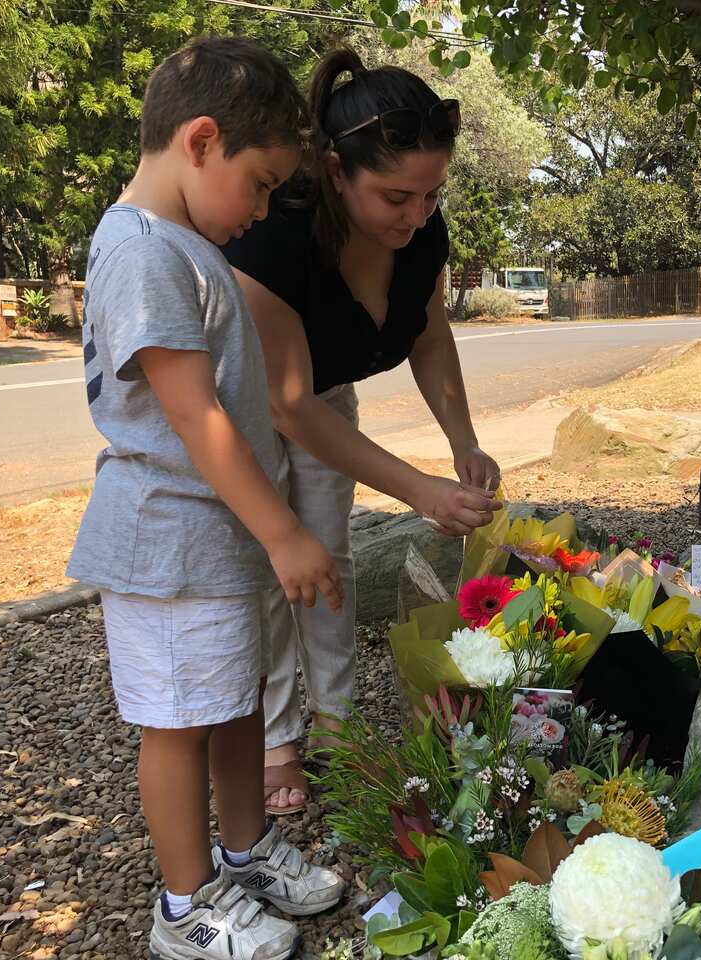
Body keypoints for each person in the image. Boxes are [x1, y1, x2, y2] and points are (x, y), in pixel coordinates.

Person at [67, 37, 345, 959]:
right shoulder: (144, 251)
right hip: (167, 543)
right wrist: (284, 530)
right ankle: (185, 909)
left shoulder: (181, 243)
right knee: (180, 725)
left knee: (229, 707)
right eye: (261, 183)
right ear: (200, 140)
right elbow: (193, 416)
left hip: (211, 539)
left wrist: (264, 531)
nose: (262, 208)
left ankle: (244, 849)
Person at [224, 45, 501, 815]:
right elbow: (284, 403)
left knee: (330, 559)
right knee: (272, 565)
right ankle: (279, 740)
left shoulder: (424, 236)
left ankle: (338, 725)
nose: (417, 215)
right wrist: (419, 492)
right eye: (395, 196)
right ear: (336, 174)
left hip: (323, 393)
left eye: (431, 193)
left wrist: (462, 442)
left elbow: (429, 336)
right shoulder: (273, 233)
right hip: (242, 404)